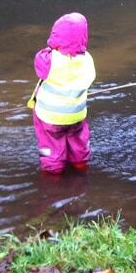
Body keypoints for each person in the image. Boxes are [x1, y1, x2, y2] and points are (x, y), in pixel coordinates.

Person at [31, 12, 97, 173]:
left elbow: (39, 61)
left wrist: (52, 46)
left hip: (50, 117)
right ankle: (80, 164)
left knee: (49, 145)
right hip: (76, 115)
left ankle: (53, 172)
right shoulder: (87, 59)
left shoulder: (49, 59)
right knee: (78, 141)